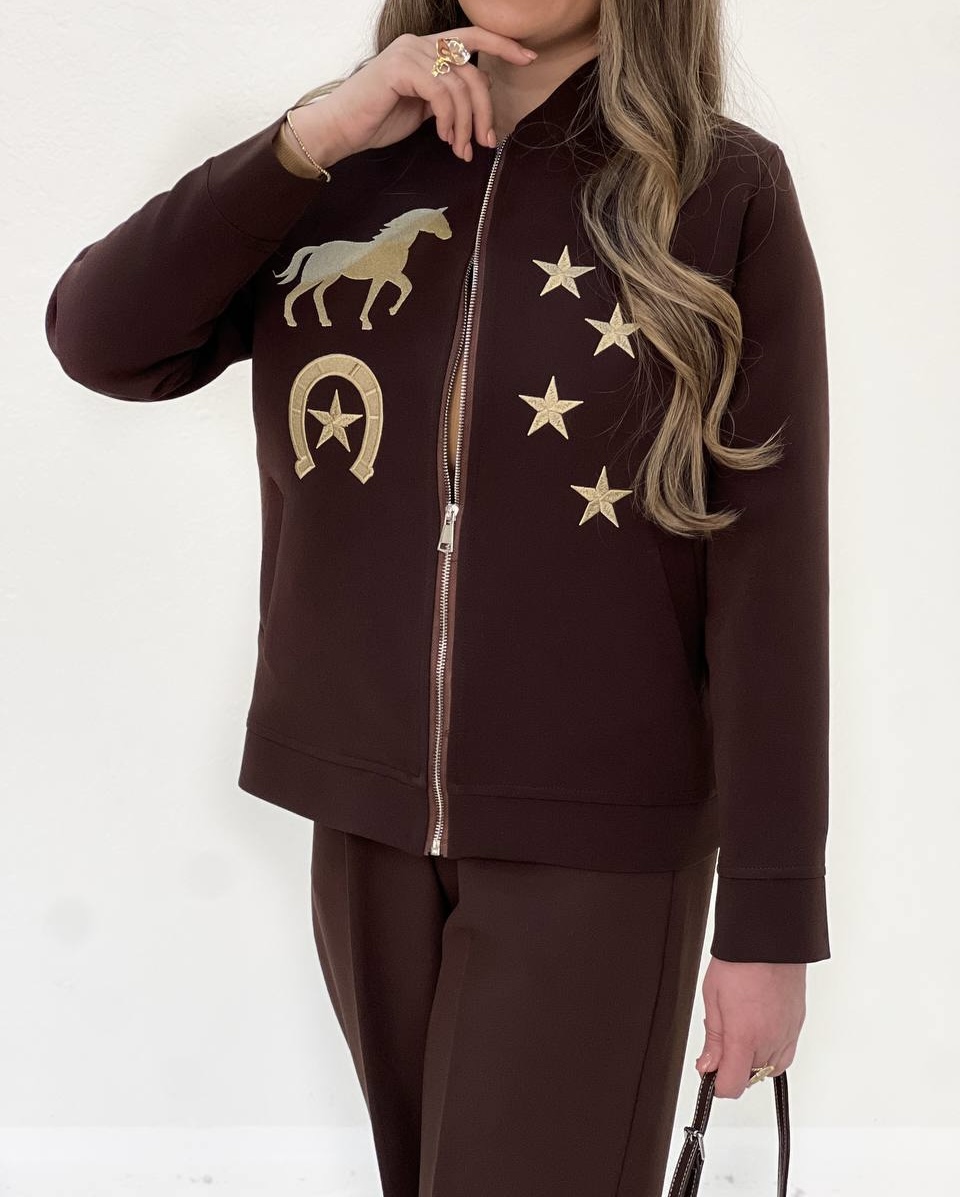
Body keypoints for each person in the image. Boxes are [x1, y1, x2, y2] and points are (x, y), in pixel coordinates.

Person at [44, 1, 831, 1193]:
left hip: (599, 842)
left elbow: (773, 575)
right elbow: (101, 337)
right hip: (364, 816)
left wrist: (770, 922)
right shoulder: (346, 167)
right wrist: (313, 137)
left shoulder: (721, 193)